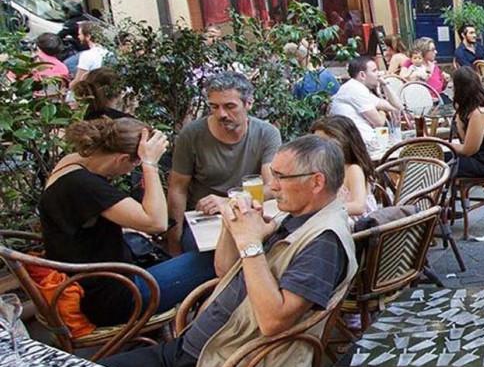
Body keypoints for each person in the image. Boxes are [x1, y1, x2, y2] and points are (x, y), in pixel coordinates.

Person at [59, 135, 357, 367]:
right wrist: (233, 230)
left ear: (316, 182)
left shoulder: (323, 242)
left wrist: (250, 243)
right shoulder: (296, 217)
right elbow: (223, 270)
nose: (271, 185)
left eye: (279, 177)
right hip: (192, 348)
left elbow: (274, 321)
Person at [39, 117, 216, 328]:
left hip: (86, 280)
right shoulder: (84, 186)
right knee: (218, 258)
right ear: (122, 159)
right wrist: (150, 165)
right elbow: (157, 222)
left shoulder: (72, 162)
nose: (133, 171)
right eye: (135, 165)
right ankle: (205, 334)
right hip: (115, 298)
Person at [166, 72, 283, 255]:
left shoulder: (266, 134)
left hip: (248, 217)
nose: (221, 114)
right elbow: (177, 188)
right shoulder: (192, 135)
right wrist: (174, 241)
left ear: (248, 103)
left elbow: (273, 187)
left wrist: (230, 201)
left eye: (230, 107)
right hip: (204, 220)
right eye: (214, 107)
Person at [312, 115, 385, 217]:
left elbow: (359, 206)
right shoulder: (327, 169)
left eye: (325, 143)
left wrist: (323, 211)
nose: (318, 148)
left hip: (358, 227)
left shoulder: (353, 169)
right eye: (315, 143)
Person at [328, 56, 402, 146]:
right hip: (362, 145)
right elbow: (379, 122)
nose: (379, 74)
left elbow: (397, 107)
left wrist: (384, 84)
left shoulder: (357, 87)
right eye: (374, 71)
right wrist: (382, 111)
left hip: (365, 141)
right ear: (362, 75)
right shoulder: (355, 89)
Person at [449, 66, 484, 178]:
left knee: (437, 163)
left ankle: (432, 193)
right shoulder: (481, 106)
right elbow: (465, 139)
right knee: (439, 158)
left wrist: (442, 144)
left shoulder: (479, 114)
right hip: (482, 157)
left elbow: (468, 150)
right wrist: (460, 114)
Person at [71, 20, 111, 85]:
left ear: (88, 36)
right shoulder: (108, 52)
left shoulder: (87, 55)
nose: (78, 37)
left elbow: (79, 81)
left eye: (80, 34)